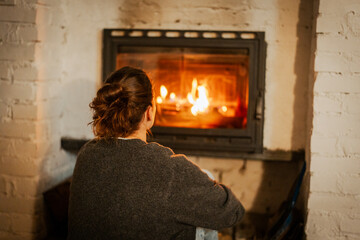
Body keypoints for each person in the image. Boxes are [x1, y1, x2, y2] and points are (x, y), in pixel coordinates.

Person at [67, 66, 245, 240]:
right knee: (205, 183)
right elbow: (233, 212)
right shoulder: (169, 169)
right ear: (149, 113)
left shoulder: (87, 154)